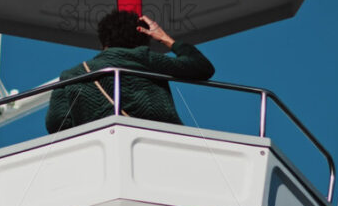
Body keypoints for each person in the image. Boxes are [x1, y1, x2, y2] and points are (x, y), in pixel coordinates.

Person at [46, 10, 214, 133]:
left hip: (98, 147)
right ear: (143, 40)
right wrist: (165, 38)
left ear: (103, 41)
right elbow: (202, 67)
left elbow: (56, 123)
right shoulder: (145, 58)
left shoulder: (72, 74)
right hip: (161, 141)